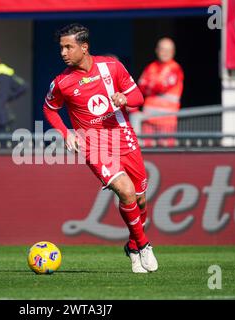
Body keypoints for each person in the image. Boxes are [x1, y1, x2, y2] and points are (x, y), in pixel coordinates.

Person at [43, 23, 158, 273]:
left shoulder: (112, 67)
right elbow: (49, 109)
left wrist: (125, 98)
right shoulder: (61, 82)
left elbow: (138, 98)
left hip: (124, 138)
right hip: (93, 145)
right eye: (61, 47)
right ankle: (145, 244)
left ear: (84, 48)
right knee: (126, 191)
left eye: (68, 47)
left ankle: (132, 245)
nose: (63, 52)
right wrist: (66, 133)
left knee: (140, 200)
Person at [135, 37, 184, 147]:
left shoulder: (175, 68)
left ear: (173, 52)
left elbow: (161, 87)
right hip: (148, 119)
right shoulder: (151, 67)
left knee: (166, 155)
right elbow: (141, 87)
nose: (165, 53)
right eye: (162, 49)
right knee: (146, 151)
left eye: (168, 50)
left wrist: (151, 84)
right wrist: (153, 85)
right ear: (157, 50)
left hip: (167, 121)